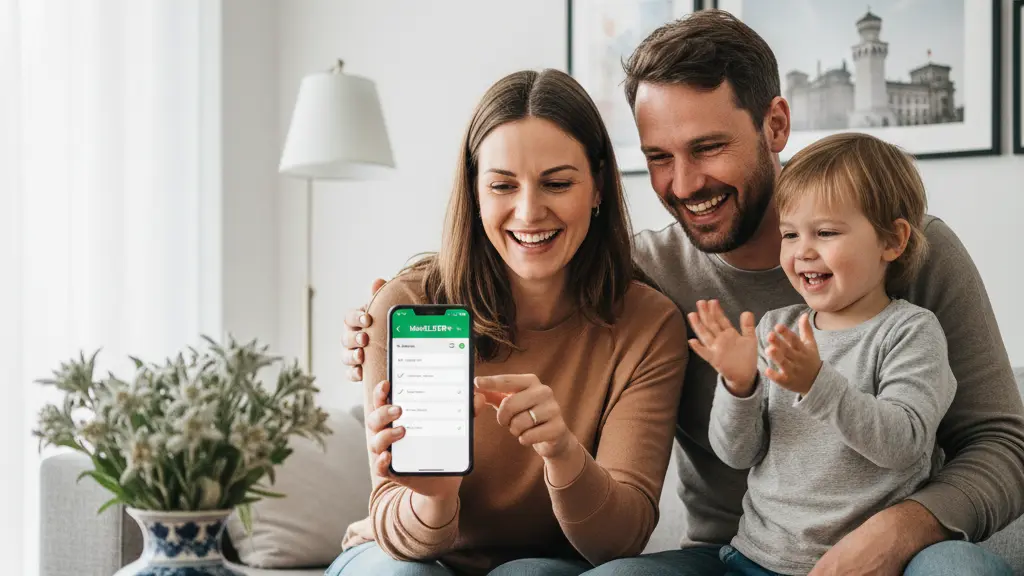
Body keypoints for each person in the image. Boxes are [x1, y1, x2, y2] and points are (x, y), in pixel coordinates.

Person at [343, 10, 1024, 576]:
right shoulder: (648, 274)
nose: (684, 183)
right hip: (732, 553)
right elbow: (532, 251)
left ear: (775, 126)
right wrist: (389, 314)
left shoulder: (905, 250)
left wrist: (904, 528)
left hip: (902, 549)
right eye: (659, 158)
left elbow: (1002, 444)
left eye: (707, 147)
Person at [325, 68, 689, 576]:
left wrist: (563, 454)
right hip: (410, 555)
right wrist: (434, 497)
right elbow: (396, 525)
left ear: (598, 186)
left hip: (551, 563)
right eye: (502, 185)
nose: (529, 211)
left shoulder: (646, 325)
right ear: (474, 191)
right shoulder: (402, 307)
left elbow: (619, 541)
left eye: (557, 183)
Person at [689, 132, 959, 575]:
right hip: (757, 559)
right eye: (790, 234)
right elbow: (737, 454)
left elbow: (905, 445)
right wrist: (740, 387)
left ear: (892, 241)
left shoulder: (909, 331)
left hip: (869, 564)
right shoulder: (775, 327)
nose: (803, 251)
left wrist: (819, 385)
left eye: (826, 232)